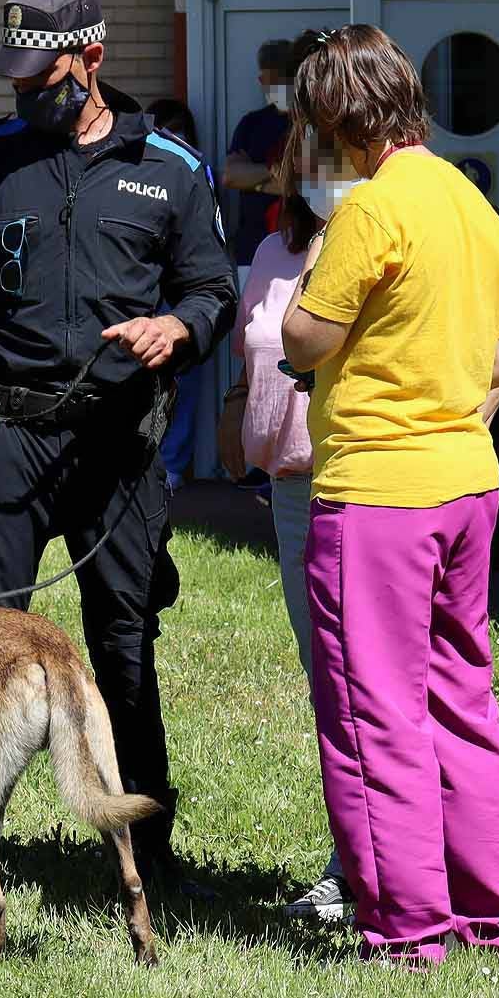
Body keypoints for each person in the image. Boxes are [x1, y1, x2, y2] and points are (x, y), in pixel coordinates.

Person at [0, 0, 236, 902]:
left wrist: (180, 330)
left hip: (118, 449)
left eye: (42, 76)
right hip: (3, 435)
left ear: (91, 59)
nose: (25, 93)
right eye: (16, 77)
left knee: (123, 642)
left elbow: (214, 291)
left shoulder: (169, 166)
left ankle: (145, 846)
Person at [280, 24, 499, 965]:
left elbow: (306, 339)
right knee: (463, 699)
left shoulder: (370, 210)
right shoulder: (471, 204)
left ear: (338, 115)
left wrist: (306, 298)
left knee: (370, 708)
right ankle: (497, 916)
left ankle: (408, 925)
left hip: (377, 493)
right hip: (467, 481)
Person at [217, 108, 364, 924]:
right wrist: (237, 405)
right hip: (289, 486)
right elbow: (255, 342)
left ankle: (361, 862)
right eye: (296, 164)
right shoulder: (273, 251)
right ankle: (351, 849)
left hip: (353, 478)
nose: (306, 177)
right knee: (323, 675)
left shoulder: (362, 244)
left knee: (354, 677)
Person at [148, 97, 208, 490]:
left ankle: (173, 464)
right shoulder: (143, 168)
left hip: (187, 294)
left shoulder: (194, 169)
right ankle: (152, 459)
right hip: (152, 291)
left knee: (186, 381)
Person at [222, 39, 294, 271]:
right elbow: (231, 175)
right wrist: (274, 172)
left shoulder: (313, 123)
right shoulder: (251, 124)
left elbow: (304, 184)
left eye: (282, 79)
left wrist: (255, 181)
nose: (274, 86)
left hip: (300, 250)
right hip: (253, 250)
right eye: (269, 80)